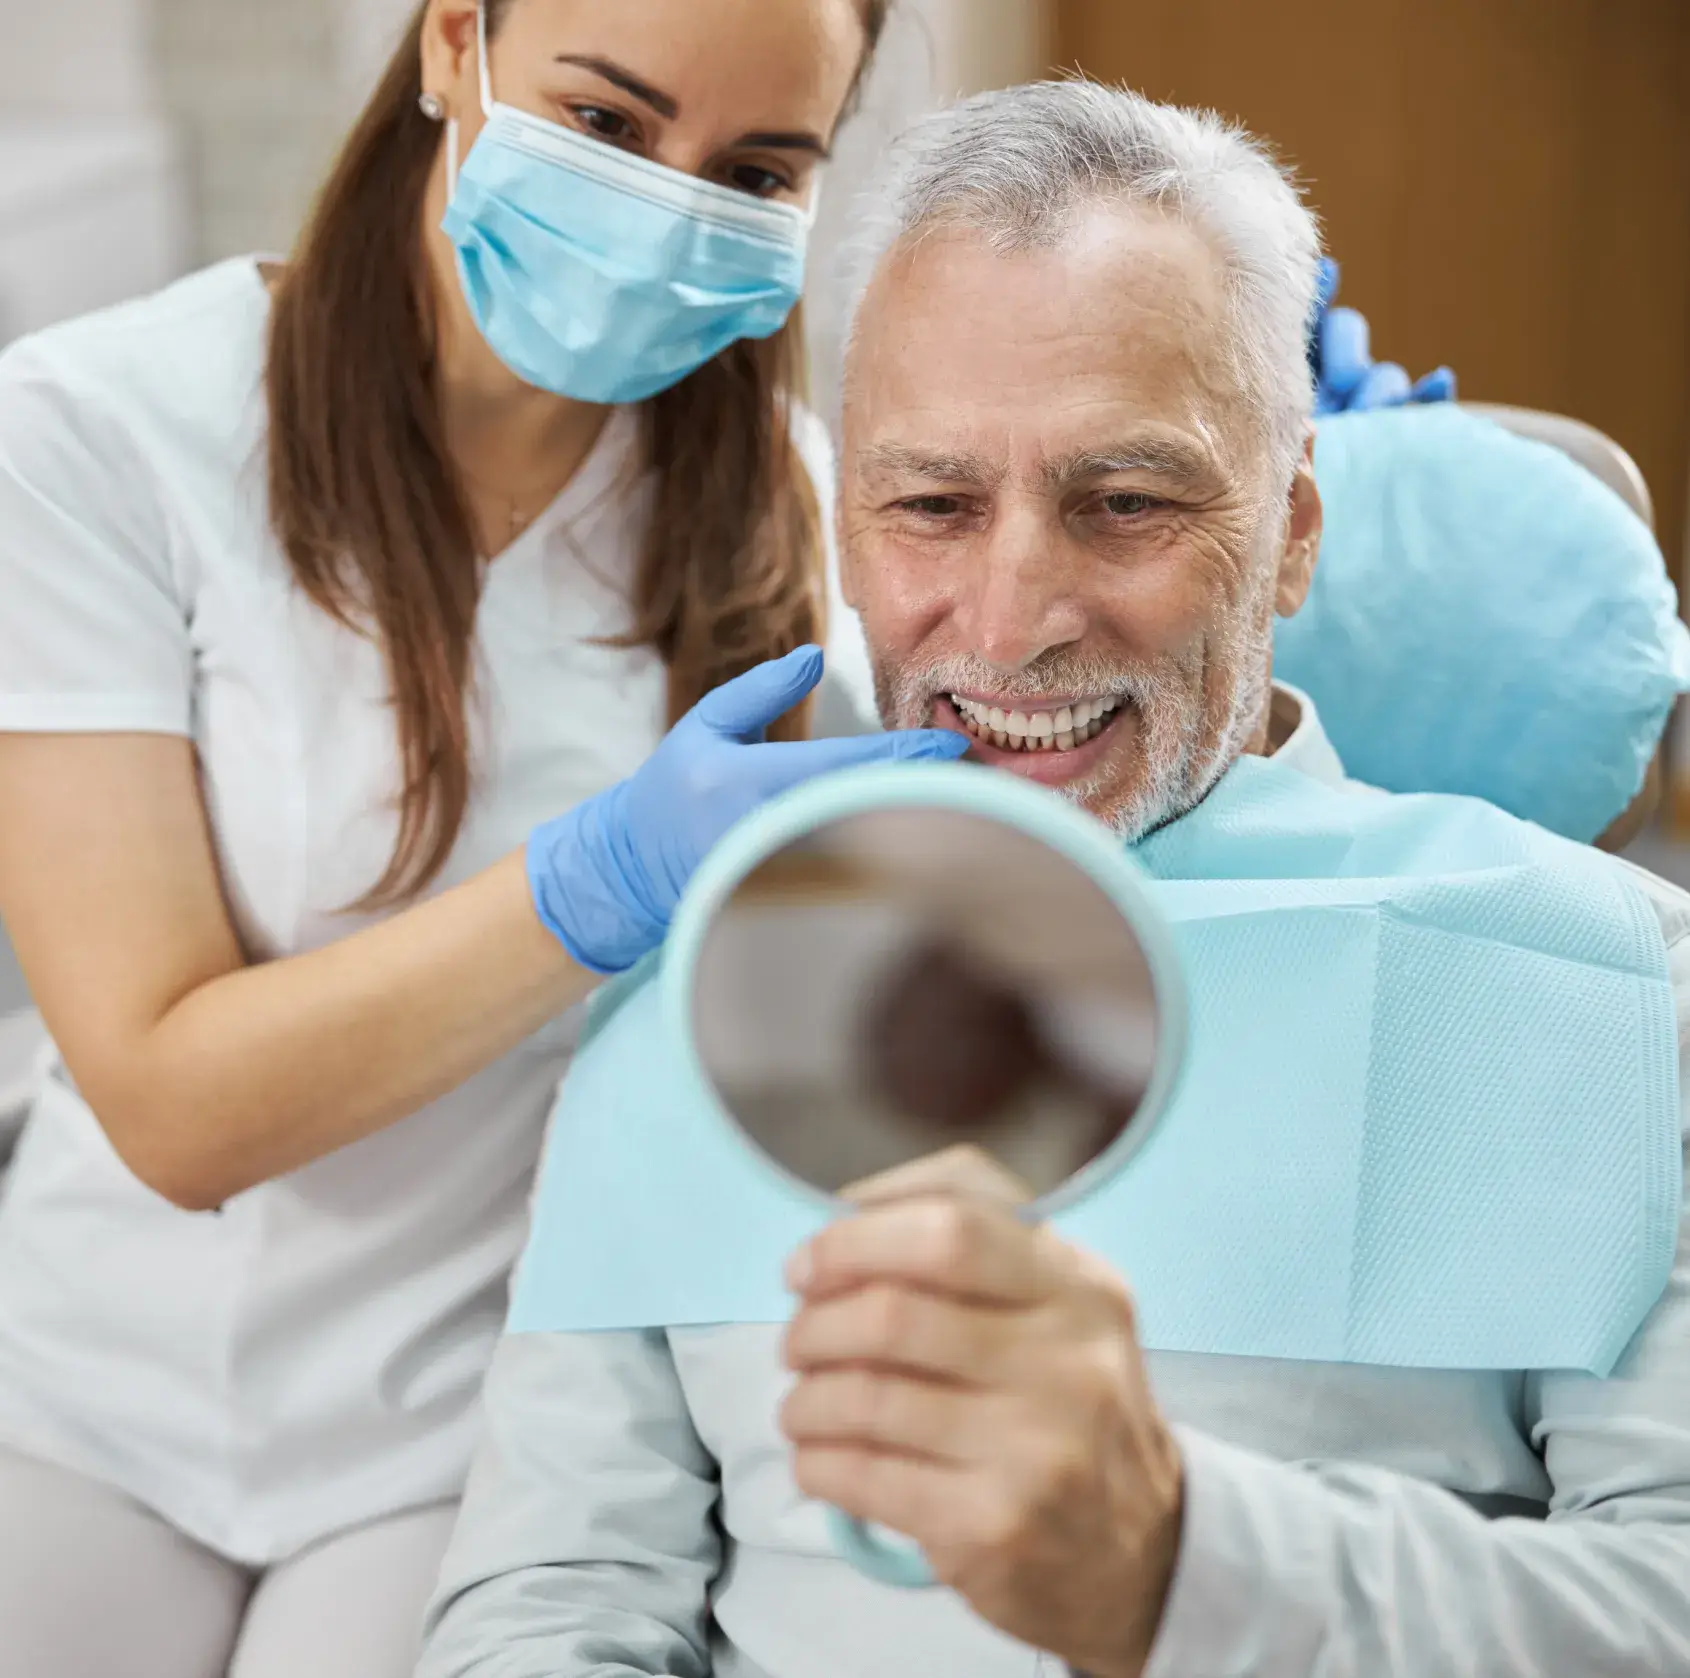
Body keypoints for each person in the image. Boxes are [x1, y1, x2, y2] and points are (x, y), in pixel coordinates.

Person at [418, 81, 1690, 1678]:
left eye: (1127, 502)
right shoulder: (688, 1002)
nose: (1012, 618)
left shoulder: (1614, 986)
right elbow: (551, 1605)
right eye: (932, 506)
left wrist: (1177, 1563)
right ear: (848, 531)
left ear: (1289, 532)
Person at [0, 2, 991, 1674]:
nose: (672, 206)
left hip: (463, 1426)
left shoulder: (801, 528)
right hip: (88, 1382)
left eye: (754, 168)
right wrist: (592, 885)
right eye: (607, 124)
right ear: (454, 40)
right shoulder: (98, 431)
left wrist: (1263, 484)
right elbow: (172, 1105)